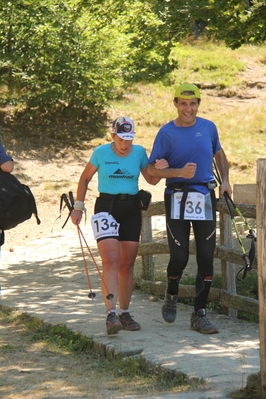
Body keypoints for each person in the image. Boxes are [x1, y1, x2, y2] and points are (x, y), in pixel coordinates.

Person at [147, 83, 232, 334]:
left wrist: (225, 181)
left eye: (192, 103)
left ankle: (199, 313)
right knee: (180, 257)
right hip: (176, 195)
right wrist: (178, 172)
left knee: (207, 256)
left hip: (205, 195)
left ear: (198, 104)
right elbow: (151, 170)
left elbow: (219, 154)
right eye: (183, 103)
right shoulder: (166, 133)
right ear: (175, 104)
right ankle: (171, 292)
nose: (188, 108)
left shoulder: (208, 127)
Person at [71, 116, 168, 335]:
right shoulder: (101, 153)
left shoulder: (139, 152)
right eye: (121, 139)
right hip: (107, 207)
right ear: (113, 135)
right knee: (111, 261)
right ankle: (110, 314)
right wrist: (78, 206)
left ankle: (125, 312)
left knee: (127, 264)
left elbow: (151, 180)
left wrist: (161, 167)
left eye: (129, 139)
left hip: (131, 209)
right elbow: (84, 179)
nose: (125, 144)